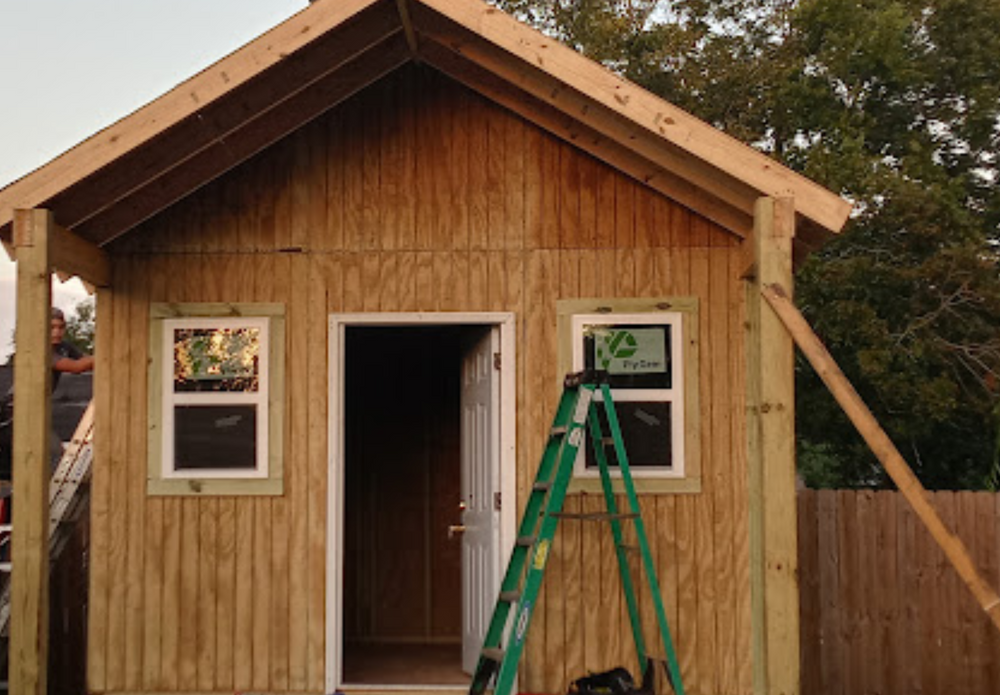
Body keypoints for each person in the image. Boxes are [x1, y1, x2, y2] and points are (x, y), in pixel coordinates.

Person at [0, 307, 94, 479]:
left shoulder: (63, 347)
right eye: (51, 327)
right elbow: (77, 367)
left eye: (60, 327)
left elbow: (85, 359)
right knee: (53, 458)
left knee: (51, 457)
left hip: (35, 411)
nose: (57, 332)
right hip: (16, 412)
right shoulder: (38, 349)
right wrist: (110, 354)